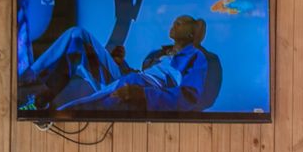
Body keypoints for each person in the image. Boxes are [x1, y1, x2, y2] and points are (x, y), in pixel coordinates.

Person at [19, 15, 212, 114]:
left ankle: (35, 100)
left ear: (190, 34)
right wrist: (120, 63)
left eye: (181, 22)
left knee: (68, 112)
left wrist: (141, 95)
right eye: (175, 21)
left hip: (135, 93)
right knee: (77, 36)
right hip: (125, 78)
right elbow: (138, 75)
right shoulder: (160, 54)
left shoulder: (196, 57)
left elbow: (188, 98)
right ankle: (32, 90)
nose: (174, 23)